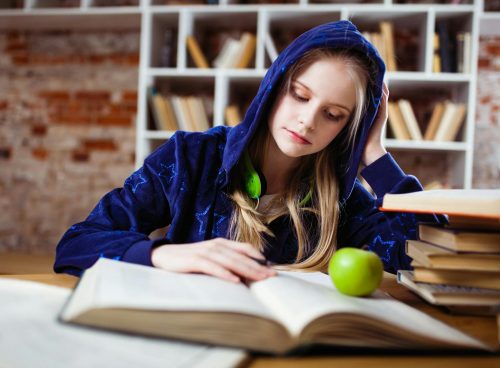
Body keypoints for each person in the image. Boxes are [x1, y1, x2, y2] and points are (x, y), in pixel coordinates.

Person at [54, 20, 440, 283]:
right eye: (300, 95)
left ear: (348, 129)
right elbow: (77, 244)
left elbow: (434, 257)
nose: (307, 121)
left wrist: (375, 154)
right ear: (274, 87)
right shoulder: (190, 158)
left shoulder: (340, 199)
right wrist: (161, 255)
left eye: (334, 115)